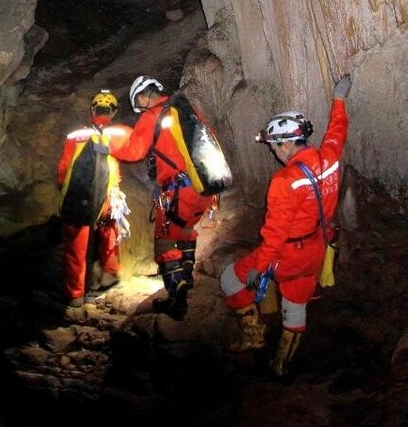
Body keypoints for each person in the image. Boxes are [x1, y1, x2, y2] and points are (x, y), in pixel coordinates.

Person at [220, 73, 351, 376]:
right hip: (317, 250)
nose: (274, 152)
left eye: (274, 146)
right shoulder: (328, 159)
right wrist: (339, 99)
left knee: (230, 279)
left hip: (287, 256)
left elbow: (275, 233)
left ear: (287, 144)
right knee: (295, 304)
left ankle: (253, 336)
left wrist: (260, 267)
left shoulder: (285, 181)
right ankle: (282, 363)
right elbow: (336, 134)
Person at [112, 75, 223, 319]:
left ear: (143, 96)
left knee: (164, 241)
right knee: (184, 231)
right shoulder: (186, 111)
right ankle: (187, 278)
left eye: (139, 103)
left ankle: (177, 296)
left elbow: (134, 151)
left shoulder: (152, 116)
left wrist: (110, 147)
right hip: (202, 188)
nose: (140, 107)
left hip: (178, 191)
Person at [56, 89, 132, 308]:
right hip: (108, 198)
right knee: (109, 232)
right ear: (113, 112)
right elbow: (135, 150)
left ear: (92, 110)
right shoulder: (119, 132)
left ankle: (75, 295)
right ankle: (108, 277)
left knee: (76, 245)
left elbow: (63, 168)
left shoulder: (76, 135)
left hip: (79, 196)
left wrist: (65, 191)